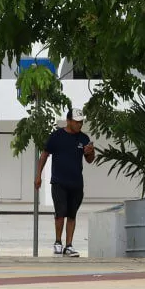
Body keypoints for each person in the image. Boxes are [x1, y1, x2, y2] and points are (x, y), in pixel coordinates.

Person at [35, 108, 96, 258]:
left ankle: (69, 245)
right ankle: (57, 242)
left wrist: (90, 152)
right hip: (59, 182)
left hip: (76, 183)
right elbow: (44, 155)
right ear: (68, 121)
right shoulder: (56, 136)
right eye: (76, 122)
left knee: (72, 214)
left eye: (81, 122)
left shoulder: (84, 138)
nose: (79, 125)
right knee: (60, 213)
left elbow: (89, 160)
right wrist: (38, 175)